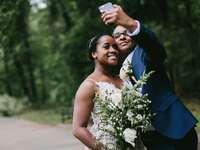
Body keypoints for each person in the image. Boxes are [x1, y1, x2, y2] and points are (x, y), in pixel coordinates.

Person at [101, 4, 198, 150]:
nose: (122, 36)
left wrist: (131, 24)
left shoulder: (144, 52)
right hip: (150, 137)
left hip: (174, 127)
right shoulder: (116, 73)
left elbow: (154, 46)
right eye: (117, 35)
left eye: (126, 32)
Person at [72, 34, 124, 150]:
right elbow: (78, 129)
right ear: (94, 54)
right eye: (106, 47)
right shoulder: (89, 85)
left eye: (115, 47)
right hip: (106, 145)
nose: (113, 50)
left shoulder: (124, 80)